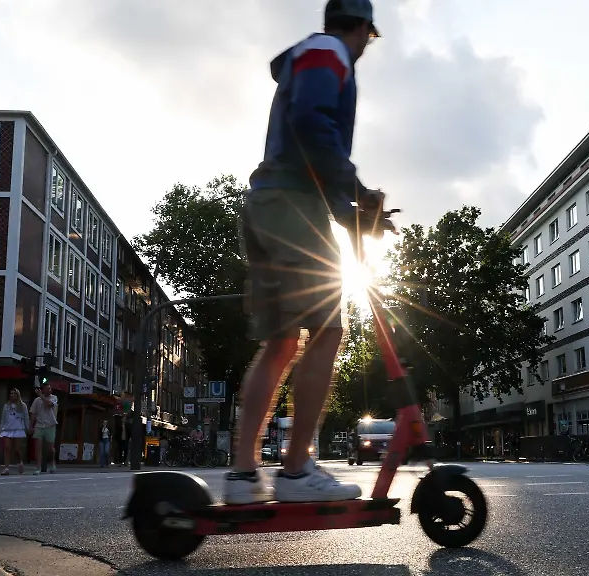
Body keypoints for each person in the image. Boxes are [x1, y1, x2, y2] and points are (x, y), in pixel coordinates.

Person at [224, 0, 380, 506]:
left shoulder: (310, 54)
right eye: (366, 40)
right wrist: (353, 187)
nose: (362, 50)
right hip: (292, 206)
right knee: (330, 329)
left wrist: (351, 210)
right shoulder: (328, 50)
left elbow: (306, 142)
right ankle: (294, 472)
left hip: (270, 202)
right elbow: (313, 121)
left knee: (281, 343)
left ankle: (244, 476)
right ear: (361, 30)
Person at [29, 383, 58, 475]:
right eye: (47, 389)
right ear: (43, 390)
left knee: (50, 448)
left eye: (50, 388)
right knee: (38, 448)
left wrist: (41, 395)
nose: (49, 390)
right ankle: (38, 467)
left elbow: (49, 405)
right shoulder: (37, 401)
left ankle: (52, 462)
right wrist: (30, 426)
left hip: (50, 425)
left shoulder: (54, 398)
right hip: (39, 425)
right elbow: (33, 413)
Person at [0, 388, 30, 475]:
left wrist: (28, 428)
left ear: (17, 395)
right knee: (7, 448)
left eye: (14, 393)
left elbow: (26, 418)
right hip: (7, 429)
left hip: (18, 429)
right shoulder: (6, 406)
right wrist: (0, 430)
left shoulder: (22, 406)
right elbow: (3, 419)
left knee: (17, 449)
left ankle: (20, 462)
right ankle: (6, 468)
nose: (12, 395)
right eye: (11, 393)